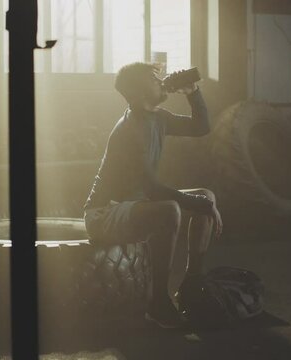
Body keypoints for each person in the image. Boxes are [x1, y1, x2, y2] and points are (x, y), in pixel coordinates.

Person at [83, 62, 223, 329]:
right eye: (152, 78)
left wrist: (192, 92)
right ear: (137, 92)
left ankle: (192, 285)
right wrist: (200, 205)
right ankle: (158, 301)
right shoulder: (129, 129)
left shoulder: (158, 117)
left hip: (136, 203)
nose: (160, 80)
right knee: (172, 208)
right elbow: (152, 188)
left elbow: (201, 126)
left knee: (207, 194)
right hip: (105, 213)